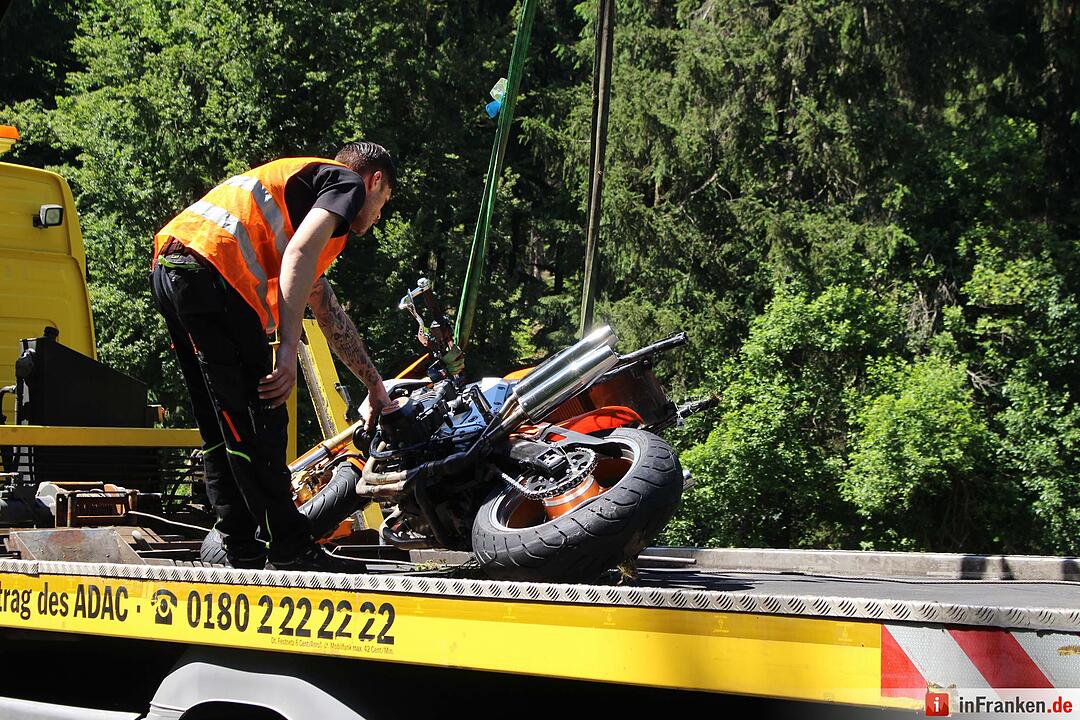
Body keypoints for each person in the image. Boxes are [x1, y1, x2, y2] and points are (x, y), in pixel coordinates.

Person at [149, 141, 395, 571]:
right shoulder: (346, 183)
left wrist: (374, 387)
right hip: (215, 271)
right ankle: (290, 547)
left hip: (173, 268)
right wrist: (285, 354)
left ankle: (239, 545)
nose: (377, 216)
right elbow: (297, 257)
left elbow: (326, 307)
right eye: (383, 202)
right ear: (374, 180)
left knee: (221, 422)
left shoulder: (300, 190)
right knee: (263, 414)